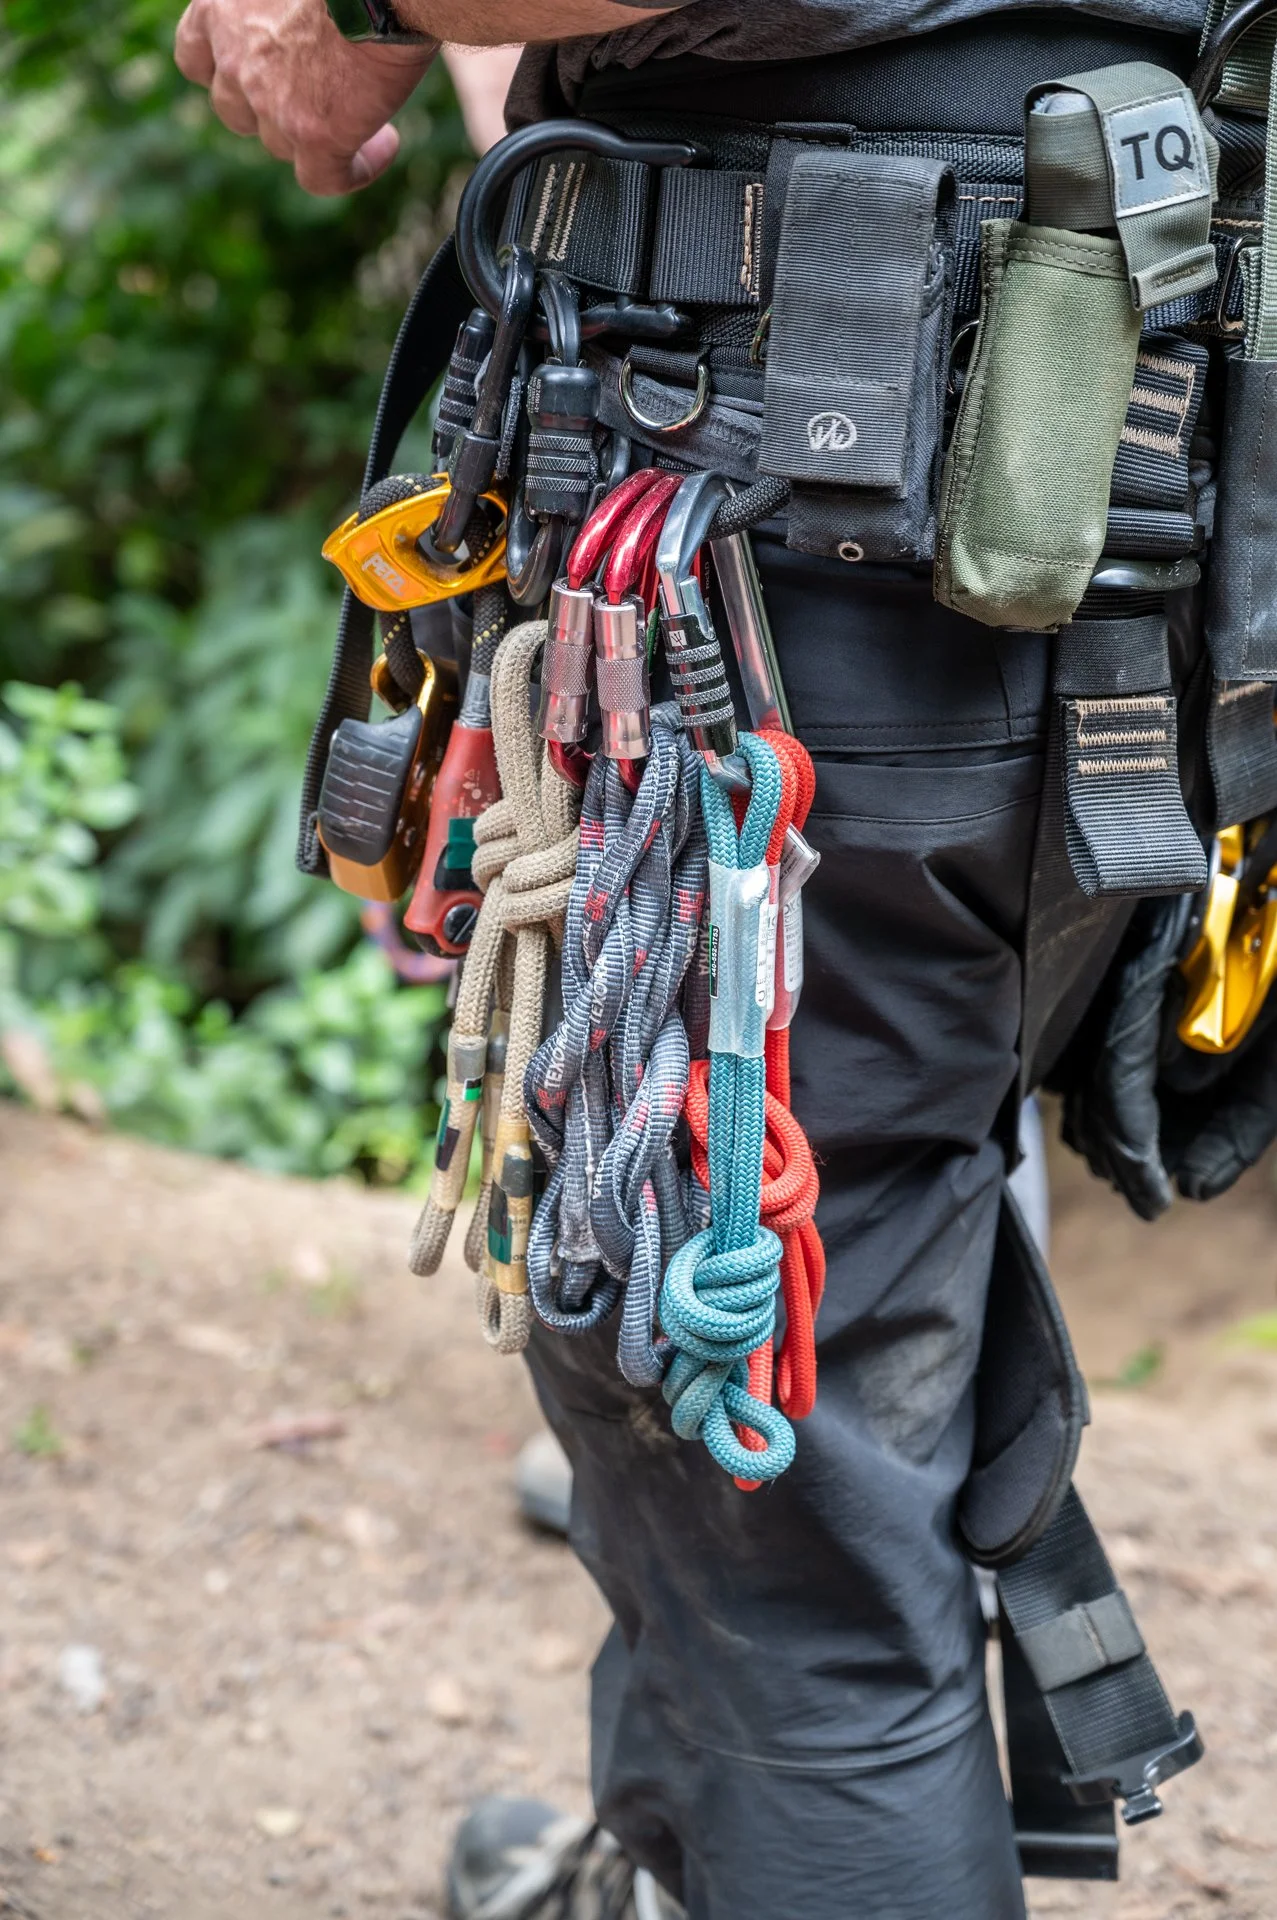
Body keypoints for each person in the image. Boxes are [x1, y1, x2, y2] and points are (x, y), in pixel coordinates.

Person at [174, 1, 1270, 1915]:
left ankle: (782, 1846)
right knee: (779, 1336)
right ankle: (690, 1868)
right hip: (1066, 522)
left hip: (822, 547)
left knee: (784, 1527)